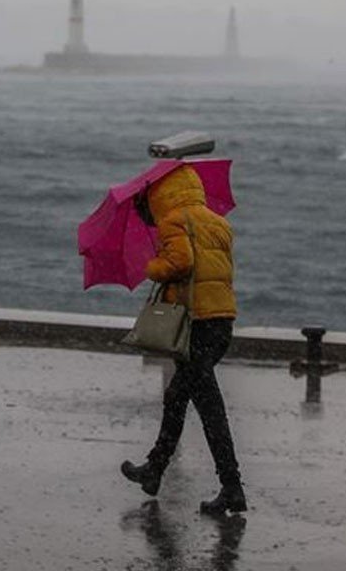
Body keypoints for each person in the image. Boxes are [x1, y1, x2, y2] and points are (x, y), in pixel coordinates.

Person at [121, 165, 246, 515]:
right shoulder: (217, 222)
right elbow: (215, 270)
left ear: (161, 194)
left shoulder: (174, 220)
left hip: (196, 325)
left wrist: (153, 267)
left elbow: (180, 262)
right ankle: (156, 470)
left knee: (201, 405)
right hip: (221, 322)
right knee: (185, 399)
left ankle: (230, 486)